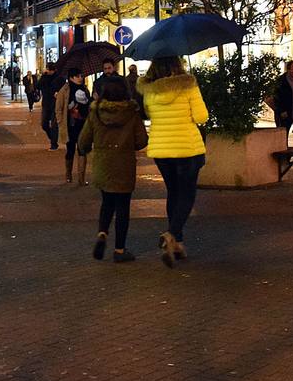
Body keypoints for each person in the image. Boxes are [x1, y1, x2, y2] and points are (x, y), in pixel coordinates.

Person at [139, 56, 208, 268]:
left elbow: (149, 115)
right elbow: (201, 116)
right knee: (187, 194)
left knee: (173, 193)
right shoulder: (188, 85)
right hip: (187, 147)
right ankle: (171, 235)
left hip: (162, 149)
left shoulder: (149, 91)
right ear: (178, 66)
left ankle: (178, 243)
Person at [78, 73, 147, 263]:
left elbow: (83, 140)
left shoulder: (96, 113)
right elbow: (142, 141)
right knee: (123, 208)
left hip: (103, 165)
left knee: (107, 202)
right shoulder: (132, 113)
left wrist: (84, 149)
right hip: (124, 166)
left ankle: (102, 233)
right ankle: (119, 249)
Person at [60, 68, 93, 185]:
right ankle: (68, 174)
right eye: (77, 76)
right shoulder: (65, 90)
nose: (80, 78)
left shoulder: (85, 89)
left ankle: (81, 178)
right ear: (71, 78)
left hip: (83, 125)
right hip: (70, 125)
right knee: (70, 150)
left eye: (81, 75)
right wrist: (60, 121)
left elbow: (89, 105)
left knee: (82, 150)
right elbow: (59, 107)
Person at [37, 62, 63, 150]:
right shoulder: (44, 77)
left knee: (54, 124)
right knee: (44, 124)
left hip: (56, 104)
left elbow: (62, 88)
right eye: (48, 69)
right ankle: (53, 138)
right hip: (46, 103)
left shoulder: (59, 77)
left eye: (50, 69)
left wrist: (58, 93)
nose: (49, 71)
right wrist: (43, 76)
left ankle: (54, 144)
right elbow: (38, 86)